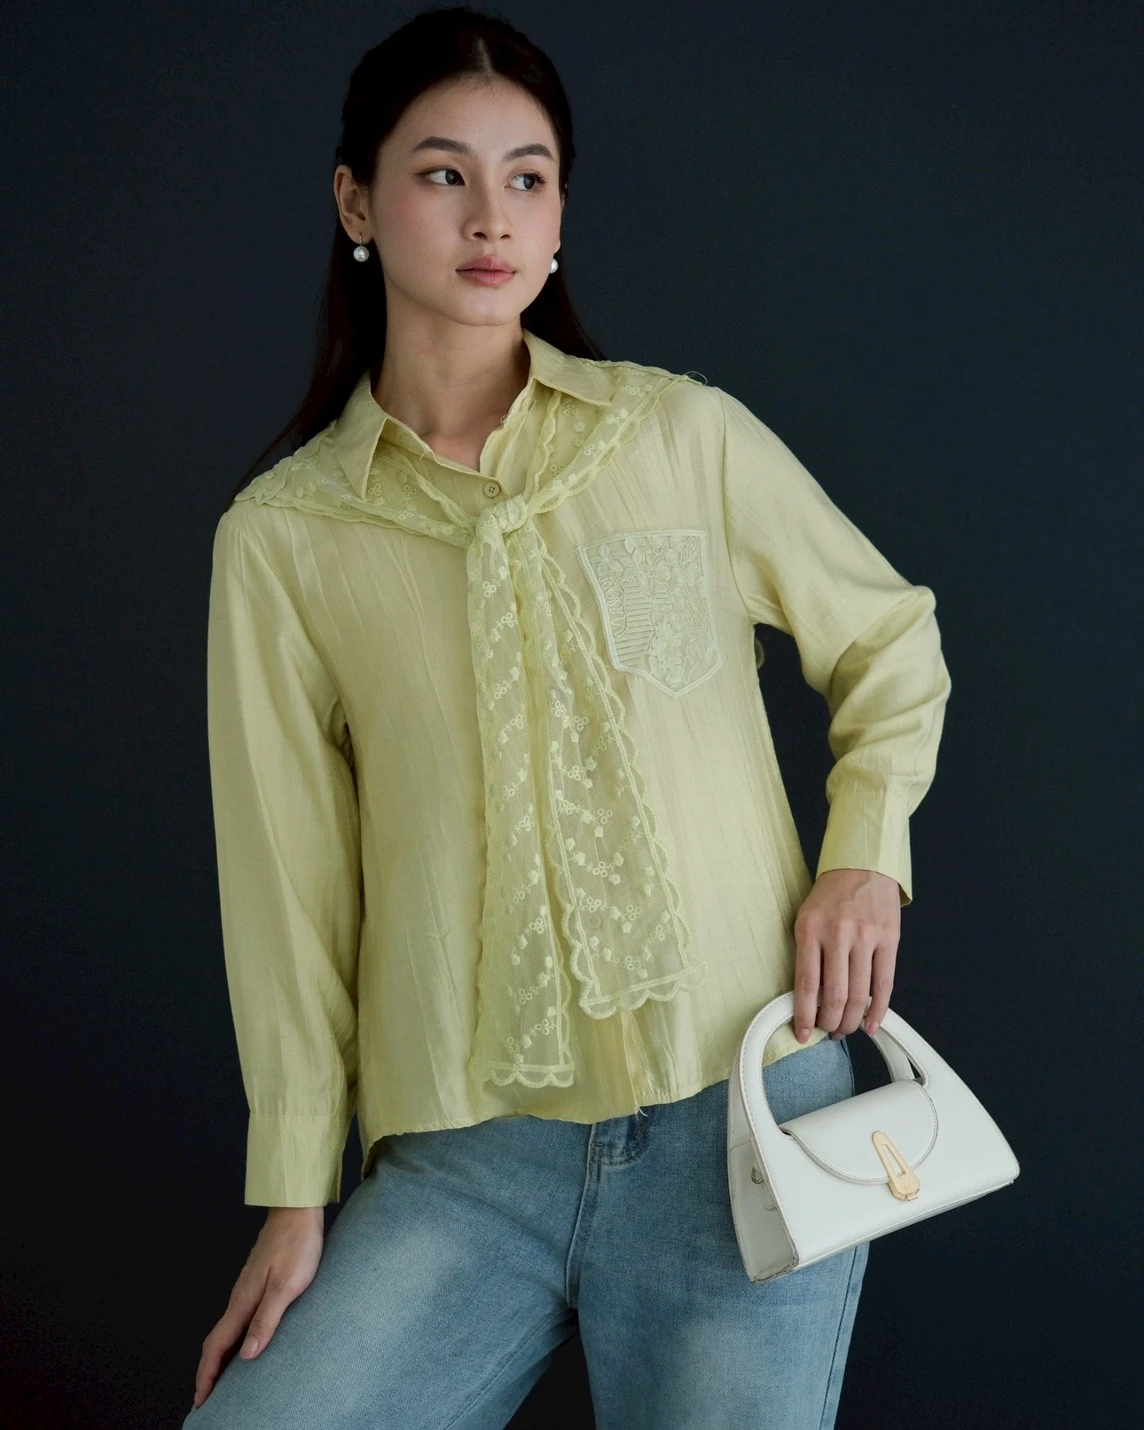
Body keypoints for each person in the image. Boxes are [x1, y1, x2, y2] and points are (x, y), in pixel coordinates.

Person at [186, 6, 951, 1427]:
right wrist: (294, 1194)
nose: (492, 216)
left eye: (528, 177)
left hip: (749, 1117)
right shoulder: (283, 540)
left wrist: (865, 855)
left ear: (558, 216)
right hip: (468, 1157)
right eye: (443, 173)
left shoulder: (682, 438)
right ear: (355, 202)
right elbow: (289, 894)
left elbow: (890, 639)